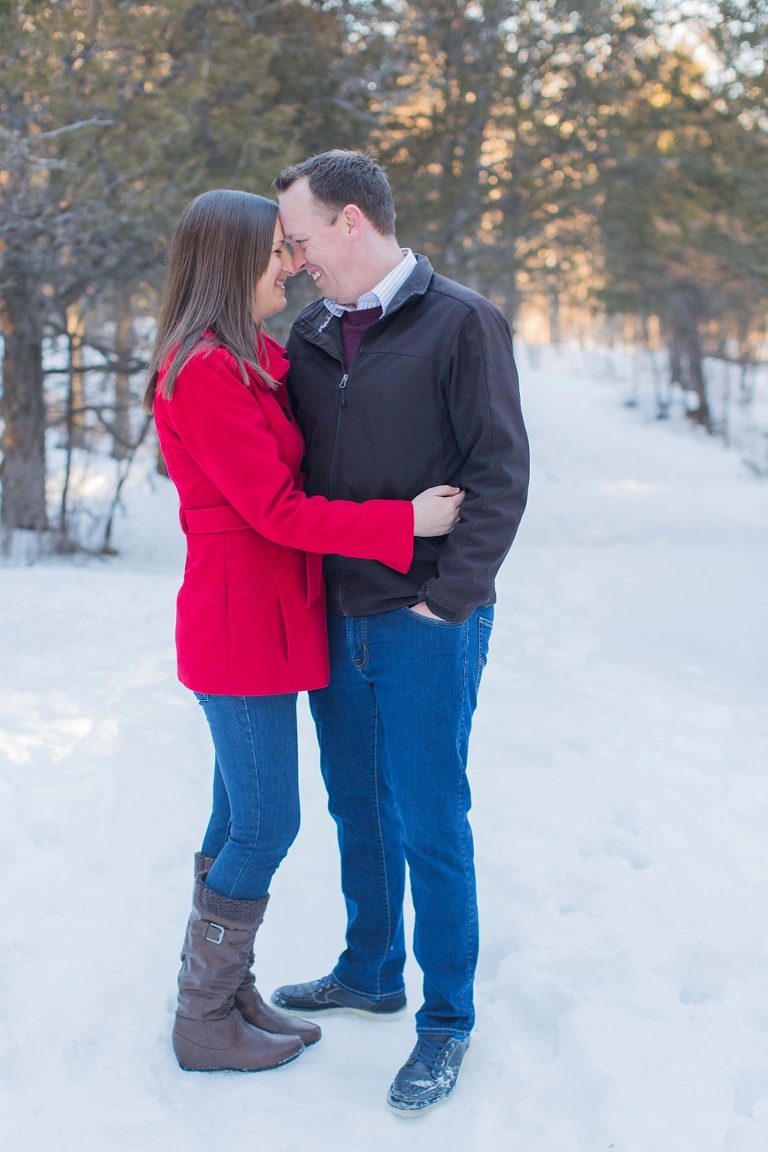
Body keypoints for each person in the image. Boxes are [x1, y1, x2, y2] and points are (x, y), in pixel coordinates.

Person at [141, 189, 464, 1075]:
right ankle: (203, 1016)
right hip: (240, 623)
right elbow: (276, 510)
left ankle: (225, 988)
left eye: (293, 249)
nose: (289, 265)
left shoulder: (243, 360)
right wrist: (404, 523)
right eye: (276, 253)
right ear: (231, 263)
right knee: (267, 823)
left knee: (235, 812)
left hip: (271, 621)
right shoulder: (202, 370)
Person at [270, 151, 530, 1113]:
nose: (293, 259)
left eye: (298, 237)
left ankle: (446, 1021)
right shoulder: (310, 331)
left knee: (429, 816)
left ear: (350, 222)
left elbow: (500, 474)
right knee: (355, 804)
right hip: (337, 617)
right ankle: (371, 967)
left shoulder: (461, 321)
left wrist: (449, 601)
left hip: (426, 621)